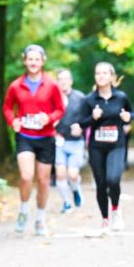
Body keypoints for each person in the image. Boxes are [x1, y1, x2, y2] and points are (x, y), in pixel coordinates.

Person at [2, 45, 65, 236]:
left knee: (43, 180)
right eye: (30, 59)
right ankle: (23, 210)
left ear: (43, 61)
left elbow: (60, 109)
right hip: (25, 137)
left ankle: (40, 218)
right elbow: (6, 107)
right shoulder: (15, 85)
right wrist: (13, 122)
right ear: (24, 60)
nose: (33, 62)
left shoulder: (52, 85)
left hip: (46, 138)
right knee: (27, 176)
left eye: (37, 59)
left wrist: (50, 118)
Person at [71, 61, 134, 234]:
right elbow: (81, 123)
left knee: (113, 179)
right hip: (96, 147)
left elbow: (131, 113)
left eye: (105, 73)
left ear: (112, 77)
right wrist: (93, 117)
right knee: (101, 183)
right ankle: (105, 220)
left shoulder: (121, 97)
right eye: (98, 73)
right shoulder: (89, 99)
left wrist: (128, 117)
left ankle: (115, 210)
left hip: (117, 145)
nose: (101, 76)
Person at [54, 68, 86, 213]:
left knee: (72, 174)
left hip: (76, 142)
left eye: (66, 79)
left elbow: (89, 119)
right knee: (60, 174)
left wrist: (82, 127)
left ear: (71, 81)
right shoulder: (52, 98)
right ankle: (66, 203)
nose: (63, 82)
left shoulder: (80, 98)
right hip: (58, 141)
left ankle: (76, 190)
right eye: (60, 79)